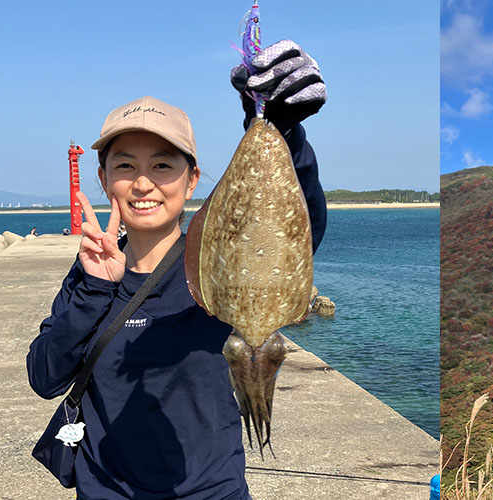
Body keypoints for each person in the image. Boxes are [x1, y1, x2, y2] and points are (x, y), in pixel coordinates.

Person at [26, 40, 326, 499]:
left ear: (190, 179)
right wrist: (94, 290)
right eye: (125, 165)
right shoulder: (89, 274)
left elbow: (290, 227)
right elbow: (44, 377)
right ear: (104, 179)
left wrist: (280, 128)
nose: (143, 182)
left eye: (162, 165)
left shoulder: (214, 269)